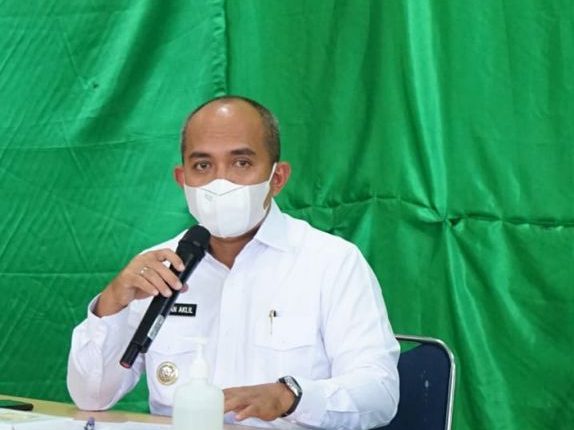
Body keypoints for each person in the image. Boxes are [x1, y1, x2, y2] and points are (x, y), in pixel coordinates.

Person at [67, 95, 400, 429]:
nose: (220, 182)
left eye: (241, 163)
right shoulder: (159, 268)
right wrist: (112, 302)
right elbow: (91, 397)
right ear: (182, 179)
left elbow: (379, 391)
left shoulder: (331, 263)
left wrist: (290, 396)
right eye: (203, 166)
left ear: (277, 178)